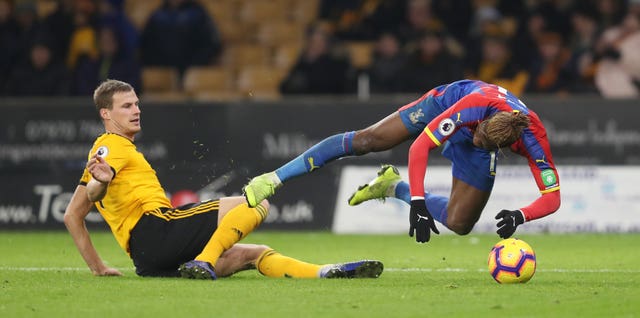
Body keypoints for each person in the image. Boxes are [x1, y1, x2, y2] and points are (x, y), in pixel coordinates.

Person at [63, 79, 383, 280]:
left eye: (137, 104)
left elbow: (73, 213)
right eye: (126, 106)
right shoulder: (112, 145)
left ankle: (324, 272)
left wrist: (98, 267)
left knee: (252, 253)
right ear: (106, 114)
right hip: (156, 229)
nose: (136, 110)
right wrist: (100, 184)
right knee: (255, 204)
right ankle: (203, 261)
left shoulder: (105, 152)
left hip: (148, 259)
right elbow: (93, 191)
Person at [244, 79, 561, 242]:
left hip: (479, 136)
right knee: (369, 140)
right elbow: (420, 147)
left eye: (484, 142)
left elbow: (552, 198)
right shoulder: (475, 107)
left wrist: (521, 215)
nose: (477, 138)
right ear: (484, 123)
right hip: (447, 105)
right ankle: (272, 178)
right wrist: (420, 204)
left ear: (506, 146)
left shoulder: (535, 140)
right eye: (478, 134)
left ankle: (392, 186)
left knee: (460, 223)